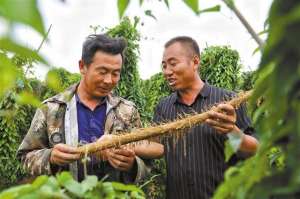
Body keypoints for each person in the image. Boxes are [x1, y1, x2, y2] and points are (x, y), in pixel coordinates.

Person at [17, 34, 163, 183]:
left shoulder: (127, 111)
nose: (108, 80)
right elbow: (25, 158)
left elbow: (146, 162)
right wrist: (50, 157)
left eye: (115, 73)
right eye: (102, 71)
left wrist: (132, 165)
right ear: (82, 66)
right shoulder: (50, 109)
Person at [153, 36, 258, 199]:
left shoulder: (229, 101)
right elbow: (157, 147)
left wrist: (232, 131)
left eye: (173, 64)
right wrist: (118, 144)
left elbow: (253, 150)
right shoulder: (164, 107)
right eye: (164, 66)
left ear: (195, 62)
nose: (167, 72)